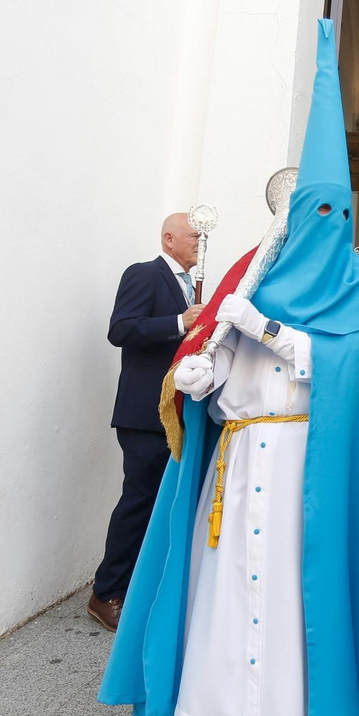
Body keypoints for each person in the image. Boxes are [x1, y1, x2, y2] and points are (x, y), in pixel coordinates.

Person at [98, 20, 359, 716]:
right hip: (240, 460)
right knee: (233, 586)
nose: (324, 223)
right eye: (313, 210)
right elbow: (213, 371)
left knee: (296, 591)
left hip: (308, 466)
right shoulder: (251, 280)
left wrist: (267, 330)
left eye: (337, 210)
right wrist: (202, 372)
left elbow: (349, 375)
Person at [92, 213, 206, 631]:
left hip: (176, 413)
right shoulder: (143, 274)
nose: (199, 242)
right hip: (143, 414)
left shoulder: (192, 285)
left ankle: (140, 588)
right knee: (138, 502)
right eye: (194, 236)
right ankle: (105, 593)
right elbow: (120, 329)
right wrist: (180, 322)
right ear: (169, 238)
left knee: (162, 504)